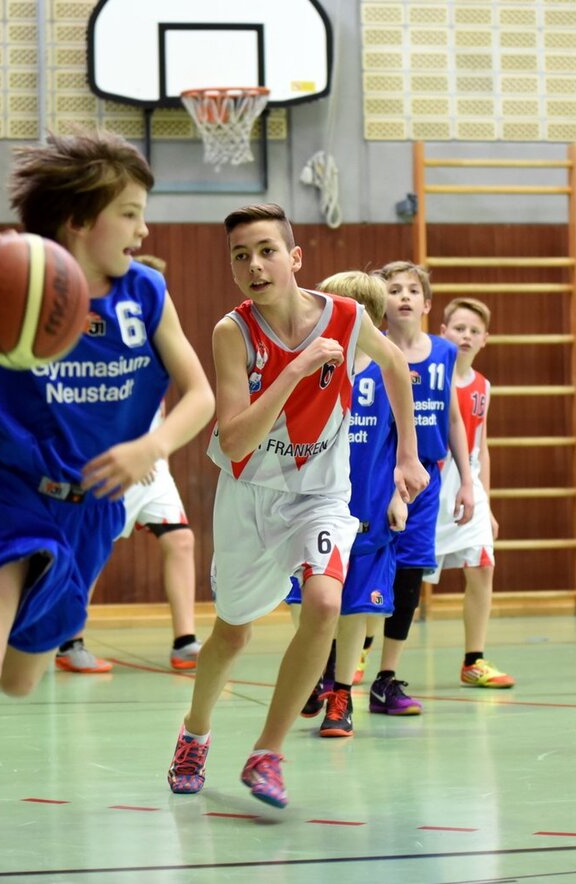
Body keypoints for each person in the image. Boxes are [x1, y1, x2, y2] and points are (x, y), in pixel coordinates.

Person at [0, 129, 214, 883]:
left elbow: (199, 394)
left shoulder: (144, 294)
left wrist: (152, 447)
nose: (143, 229)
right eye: (130, 213)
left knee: (20, 679)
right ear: (79, 221)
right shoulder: (13, 282)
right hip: (10, 498)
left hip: (92, 514)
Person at [166, 204, 428, 808]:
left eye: (267, 250)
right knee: (232, 634)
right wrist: (294, 371)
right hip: (251, 498)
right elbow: (235, 440)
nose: (254, 265)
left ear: (295, 257)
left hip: (321, 496)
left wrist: (407, 456)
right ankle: (195, 732)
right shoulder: (233, 333)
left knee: (325, 603)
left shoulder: (347, 316)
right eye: (241, 256)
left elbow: (396, 366)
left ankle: (268, 752)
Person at [55, 255, 202, 674]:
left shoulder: (161, 336)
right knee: (92, 551)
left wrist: (157, 449)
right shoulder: (98, 335)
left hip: (153, 464)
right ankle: (70, 640)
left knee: (181, 540)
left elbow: (189, 397)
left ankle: (185, 642)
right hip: (110, 460)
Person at [284, 270, 407, 738]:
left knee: (355, 605)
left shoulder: (390, 369)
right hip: (310, 502)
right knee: (303, 595)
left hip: (369, 505)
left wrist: (399, 496)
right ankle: (315, 670)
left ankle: (342, 693)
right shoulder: (308, 362)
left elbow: (405, 444)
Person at [363, 261, 475, 715]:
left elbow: (453, 418)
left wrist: (467, 481)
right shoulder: (372, 350)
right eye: (394, 289)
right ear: (381, 302)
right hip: (377, 475)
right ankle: (339, 664)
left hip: (425, 479)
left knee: (410, 574)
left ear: (427, 304)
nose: (404, 296)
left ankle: (386, 678)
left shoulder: (444, 352)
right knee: (366, 569)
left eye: (413, 290)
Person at [422, 297, 513, 688]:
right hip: (429, 485)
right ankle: (362, 650)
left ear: (485, 339)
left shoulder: (483, 386)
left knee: (482, 567)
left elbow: (482, 447)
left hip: (467, 487)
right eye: (459, 328)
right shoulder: (427, 376)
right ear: (443, 332)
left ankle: (473, 660)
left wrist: (486, 503)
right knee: (401, 577)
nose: (466, 336)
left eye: (474, 331)